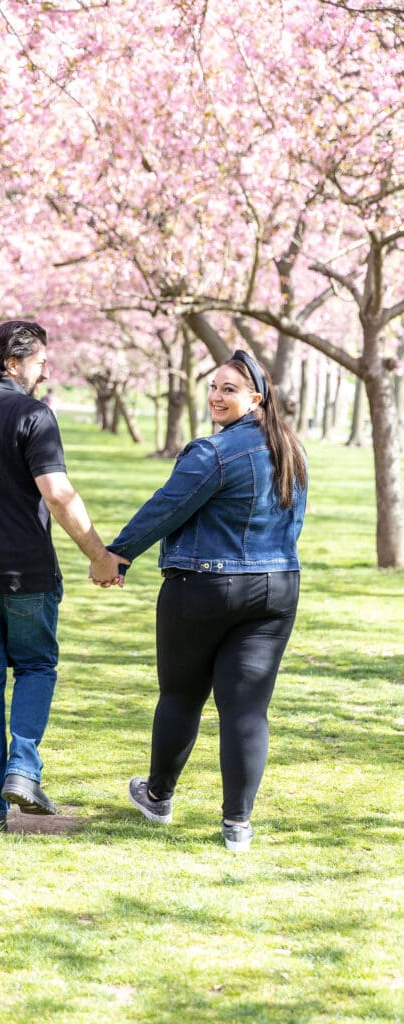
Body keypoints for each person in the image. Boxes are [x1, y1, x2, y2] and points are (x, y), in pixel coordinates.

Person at [96, 350, 307, 852]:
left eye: (229, 389)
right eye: (213, 386)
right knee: (247, 709)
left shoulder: (214, 454)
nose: (216, 395)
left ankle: (159, 798)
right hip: (277, 588)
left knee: (181, 695)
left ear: (256, 397)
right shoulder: (291, 451)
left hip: (204, 588)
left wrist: (116, 555)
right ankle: (237, 825)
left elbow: (165, 507)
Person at [0, 320, 128, 832]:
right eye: (40, 360)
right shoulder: (33, 415)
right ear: (13, 363)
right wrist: (100, 555)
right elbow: (57, 494)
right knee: (36, 667)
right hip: (26, 573)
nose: (45, 369)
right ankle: (23, 767)